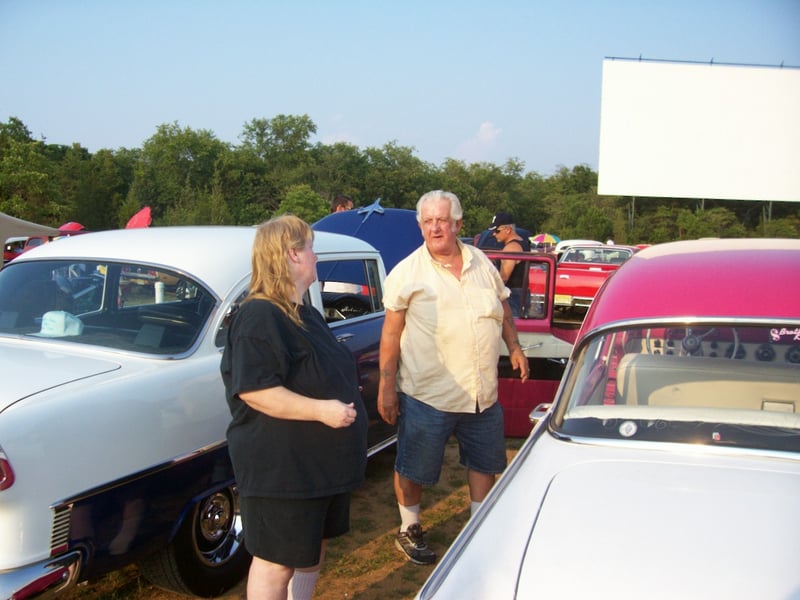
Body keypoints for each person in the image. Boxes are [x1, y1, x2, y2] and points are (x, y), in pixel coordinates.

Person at [377, 190, 530, 565]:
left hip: (482, 393)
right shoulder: (407, 273)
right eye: (427, 221)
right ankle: (409, 527)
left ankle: (479, 527)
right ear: (420, 225)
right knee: (414, 467)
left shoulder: (482, 262)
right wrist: (386, 388)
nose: (434, 228)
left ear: (458, 224)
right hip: (427, 394)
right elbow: (391, 335)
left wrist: (515, 347)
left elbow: (502, 307)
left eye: (442, 220)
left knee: (484, 463)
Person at [220, 215, 367, 600]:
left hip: (316, 466)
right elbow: (256, 391)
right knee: (276, 561)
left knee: (309, 549)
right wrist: (322, 411)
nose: (316, 257)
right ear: (292, 255)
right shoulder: (259, 315)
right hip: (282, 469)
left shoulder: (306, 314)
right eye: (311, 248)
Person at [489, 212, 531, 317]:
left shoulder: (511, 248)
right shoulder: (524, 243)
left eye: (496, 231)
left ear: (508, 230)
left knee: (510, 326)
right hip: (522, 294)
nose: (494, 234)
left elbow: (503, 279)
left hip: (512, 296)